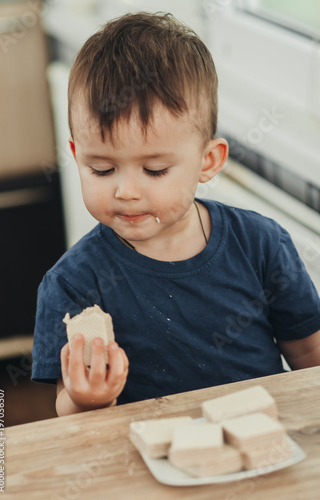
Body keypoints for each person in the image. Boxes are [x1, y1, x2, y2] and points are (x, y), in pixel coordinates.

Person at [31, 12, 320, 416]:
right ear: (77, 156)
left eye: (154, 170)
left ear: (208, 161)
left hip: (260, 452)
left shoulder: (262, 245)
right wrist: (86, 398)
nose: (126, 191)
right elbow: (70, 417)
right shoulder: (73, 285)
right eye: (101, 169)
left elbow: (310, 353)